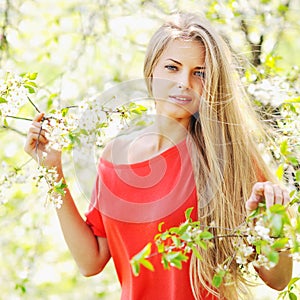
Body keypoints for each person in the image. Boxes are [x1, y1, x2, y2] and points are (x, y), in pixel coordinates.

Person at [24, 12, 293, 300]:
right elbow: (90, 261)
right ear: (152, 70)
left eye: (199, 73)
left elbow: (278, 279)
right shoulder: (115, 157)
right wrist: (53, 171)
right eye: (172, 67)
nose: (184, 82)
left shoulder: (229, 158)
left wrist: (270, 222)